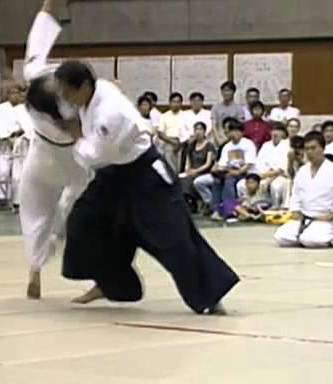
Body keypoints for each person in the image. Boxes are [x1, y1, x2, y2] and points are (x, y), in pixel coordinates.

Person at [54, 59, 239, 314]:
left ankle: (210, 296)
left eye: (67, 92)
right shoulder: (98, 89)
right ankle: (112, 284)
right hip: (114, 174)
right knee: (84, 222)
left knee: (173, 237)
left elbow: (93, 156)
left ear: (84, 85)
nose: (64, 98)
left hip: (145, 175)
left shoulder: (110, 114)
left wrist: (75, 135)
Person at [16, 0, 89, 299]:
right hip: (73, 159)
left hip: (41, 158)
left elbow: (37, 38)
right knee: (76, 199)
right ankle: (62, 230)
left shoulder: (34, 83)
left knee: (33, 208)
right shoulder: (72, 102)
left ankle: (35, 267)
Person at [274, 132, 333, 248]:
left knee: (310, 240)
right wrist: (296, 211)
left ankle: (324, 238)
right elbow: (296, 195)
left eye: (313, 148)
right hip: (303, 219)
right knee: (281, 236)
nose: (310, 152)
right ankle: (304, 235)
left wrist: (332, 215)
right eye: (307, 149)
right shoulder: (302, 171)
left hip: (326, 220)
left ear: (323, 148)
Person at [0, 85, 24, 204]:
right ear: (7, 94)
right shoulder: (2, 108)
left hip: (21, 142)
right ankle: (1, 198)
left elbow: (27, 126)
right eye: (12, 93)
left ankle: (17, 201)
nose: (15, 95)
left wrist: (20, 135)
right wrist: (7, 139)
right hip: (5, 142)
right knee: (3, 172)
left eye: (17, 93)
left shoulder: (24, 108)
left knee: (18, 175)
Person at [180, 122, 216, 214]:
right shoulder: (191, 146)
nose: (198, 132)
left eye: (200, 129)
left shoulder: (209, 146)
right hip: (192, 171)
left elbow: (208, 164)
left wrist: (196, 171)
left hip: (204, 171)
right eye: (196, 129)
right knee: (181, 178)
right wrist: (188, 170)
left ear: (204, 132)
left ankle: (207, 204)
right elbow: (188, 161)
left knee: (192, 180)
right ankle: (189, 203)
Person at [254, 123, 290, 209]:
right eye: (273, 130)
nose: (275, 133)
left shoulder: (287, 145)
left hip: (281, 176)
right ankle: (257, 207)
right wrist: (264, 174)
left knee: (275, 186)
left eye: (279, 130)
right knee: (242, 184)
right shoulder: (266, 145)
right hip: (264, 174)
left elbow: (282, 168)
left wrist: (269, 178)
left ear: (284, 133)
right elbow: (259, 162)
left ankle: (276, 207)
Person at [157, 93, 188, 172]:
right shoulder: (164, 116)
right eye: (174, 102)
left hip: (182, 143)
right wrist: (173, 142)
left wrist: (179, 143)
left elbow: (188, 132)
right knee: (169, 151)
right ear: (169, 103)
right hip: (168, 142)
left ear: (181, 103)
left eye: (178, 102)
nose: (176, 104)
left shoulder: (186, 115)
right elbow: (160, 133)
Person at [211, 81, 245, 146]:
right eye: (224, 90)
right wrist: (219, 139)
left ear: (233, 92)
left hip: (234, 140)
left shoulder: (239, 108)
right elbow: (214, 125)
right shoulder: (215, 107)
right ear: (221, 92)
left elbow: (240, 126)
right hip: (218, 139)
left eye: (229, 90)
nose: (226, 93)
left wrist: (229, 138)